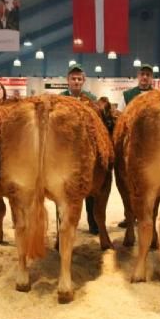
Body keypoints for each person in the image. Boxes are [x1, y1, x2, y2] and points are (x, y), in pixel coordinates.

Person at [60, 64, 98, 234]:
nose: (76, 82)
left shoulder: (91, 98)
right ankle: (62, 228)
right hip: (64, 152)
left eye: (79, 79)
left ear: (83, 81)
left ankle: (93, 223)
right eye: (73, 79)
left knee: (89, 188)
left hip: (86, 151)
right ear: (67, 80)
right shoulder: (59, 99)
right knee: (61, 190)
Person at [117, 64, 154, 228]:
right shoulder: (127, 95)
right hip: (131, 146)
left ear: (151, 77)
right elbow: (120, 118)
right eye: (142, 74)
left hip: (152, 147)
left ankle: (147, 217)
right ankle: (129, 216)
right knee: (128, 184)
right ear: (138, 76)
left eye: (148, 74)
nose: (145, 77)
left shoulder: (158, 95)